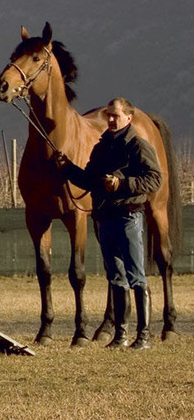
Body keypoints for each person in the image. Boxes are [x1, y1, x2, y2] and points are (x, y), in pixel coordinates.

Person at [54, 98, 162, 349]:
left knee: (136, 277)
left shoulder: (138, 146)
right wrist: (68, 168)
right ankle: (121, 336)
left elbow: (155, 179)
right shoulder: (101, 148)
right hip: (105, 219)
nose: (111, 119)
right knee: (116, 278)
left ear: (128, 118)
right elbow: (90, 180)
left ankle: (143, 336)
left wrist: (122, 184)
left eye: (116, 115)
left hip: (128, 218)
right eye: (109, 115)